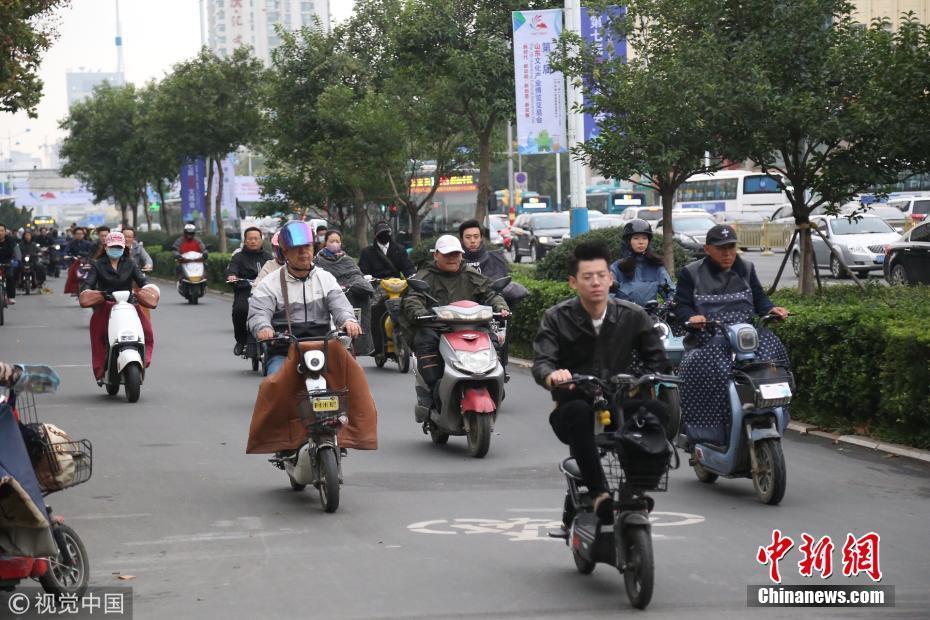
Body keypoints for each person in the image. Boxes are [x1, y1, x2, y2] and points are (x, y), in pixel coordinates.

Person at [533, 241, 668, 523]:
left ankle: (636, 489)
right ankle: (598, 496)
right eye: (587, 277)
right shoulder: (556, 318)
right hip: (574, 405)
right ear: (573, 282)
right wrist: (553, 376)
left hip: (620, 400)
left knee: (657, 413)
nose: (595, 282)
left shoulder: (633, 315)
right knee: (579, 412)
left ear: (610, 279)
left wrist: (643, 380)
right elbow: (543, 361)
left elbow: (656, 359)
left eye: (601, 275)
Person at [673, 224, 790, 445]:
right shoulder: (691, 272)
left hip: (745, 336)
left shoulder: (747, 267)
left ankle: (775, 409)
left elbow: (759, 298)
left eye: (731, 247)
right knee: (704, 368)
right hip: (709, 335)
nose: (727, 253)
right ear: (707, 249)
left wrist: (771, 309)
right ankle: (708, 430)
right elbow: (682, 306)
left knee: (774, 357)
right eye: (721, 248)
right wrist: (693, 318)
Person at [401, 234, 510, 412]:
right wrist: (420, 312)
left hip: (473, 327)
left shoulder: (470, 273)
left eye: (456, 254)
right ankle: (433, 391)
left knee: (494, 341)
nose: (452, 258)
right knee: (425, 341)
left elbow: (490, 293)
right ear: (436, 255)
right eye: (447, 254)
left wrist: (501, 307)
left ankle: (495, 381)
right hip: (437, 328)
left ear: (461, 255)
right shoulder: (425, 276)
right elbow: (413, 299)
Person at [247, 221, 361, 376]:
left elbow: (341, 306)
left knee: (355, 376)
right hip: (284, 350)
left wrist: (349, 321)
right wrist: (263, 328)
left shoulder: (326, 278)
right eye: (296, 248)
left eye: (307, 246)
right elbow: (259, 312)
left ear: (314, 248)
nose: (303, 252)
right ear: (285, 252)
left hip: (325, 347)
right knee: (273, 382)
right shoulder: (269, 283)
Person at [79, 232, 160, 382]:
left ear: (124, 248)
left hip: (129, 305)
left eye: (118, 247)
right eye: (112, 246)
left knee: (147, 330)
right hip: (106, 306)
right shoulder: (97, 264)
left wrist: (149, 289)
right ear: (105, 247)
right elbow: (88, 284)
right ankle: (100, 370)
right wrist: (89, 292)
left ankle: (144, 358)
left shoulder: (130, 263)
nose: (115, 249)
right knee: (98, 336)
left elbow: (143, 281)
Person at [459, 219, 529, 370]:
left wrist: (500, 306)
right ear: (461, 239)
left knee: (496, 346)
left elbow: (499, 286)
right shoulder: (453, 260)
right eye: (468, 237)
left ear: (481, 238)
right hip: (459, 314)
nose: (472, 241)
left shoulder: (495, 258)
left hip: (490, 312)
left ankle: (499, 368)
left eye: (476, 236)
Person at [312, 230, 375, 355]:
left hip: (349, 300)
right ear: (325, 243)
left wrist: (355, 285)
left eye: (337, 241)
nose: (335, 243)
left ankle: (357, 340)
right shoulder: (317, 261)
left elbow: (356, 275)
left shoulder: (348, 260)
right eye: (332, 241)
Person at [359, 221, 416, 357]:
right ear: (375, 236)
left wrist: (412, 276)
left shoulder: (400, 249)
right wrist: (367, 277)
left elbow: (408, 268)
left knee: (410, 306)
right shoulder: (367, 252)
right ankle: (377, 346)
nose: (385, 235)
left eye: (387, 233)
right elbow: (363, 270)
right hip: (378, 286)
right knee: (375, 310)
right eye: (381, 233)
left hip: (398, 285)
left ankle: (410, 341)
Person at [226, 227, 272, 355]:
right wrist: (232, 276)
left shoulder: (268, 257)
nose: (253, 241)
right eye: (250, 239)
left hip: (265, 292)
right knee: (239, 311)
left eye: (256, 238)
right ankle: (241, 341)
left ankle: (273, 340)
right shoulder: (238, 257)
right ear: (245, 240)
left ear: (261, 240)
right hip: (244, 290)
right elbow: (232, 269)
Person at [609, 219, 674, 307]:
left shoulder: (656, 266)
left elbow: (671, 293)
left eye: (644, 238)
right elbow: (608, 297)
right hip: (624, 314)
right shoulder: (616, 268)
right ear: (628, 241)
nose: (641, 242)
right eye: (636, 238)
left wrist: (670, 305)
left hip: (651, 313)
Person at [63, 227, 94, 295]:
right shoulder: (71, 243)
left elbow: (91, 253)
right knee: (71, 271)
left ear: (83, 234)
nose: (79, 235)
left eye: (81, 234)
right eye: (77, 234)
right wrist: (66, 255)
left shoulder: (88, 243)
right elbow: (66, 251)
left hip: (87, 262)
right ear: (74, 235)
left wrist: (84, 255)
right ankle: (73, 289)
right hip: (75, 262)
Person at [0, 223, 22, 305]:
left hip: (7, 262)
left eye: (2, 231)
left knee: (10, 276)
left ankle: (10, 297)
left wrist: (18, 260)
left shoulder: (10, 240)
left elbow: (16, 251)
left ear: (5, 232)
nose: (0, 233)